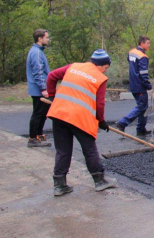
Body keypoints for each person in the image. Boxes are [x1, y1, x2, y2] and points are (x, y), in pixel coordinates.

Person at [46, 49, 117, 196]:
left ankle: (59, 185)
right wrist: (101, 120)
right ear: (100, 65)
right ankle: (99, 181)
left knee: (63, 150)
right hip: (79, 118)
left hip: (59, 113)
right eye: (105, 67)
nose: (105, 71)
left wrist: (52, 96)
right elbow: (100, 104)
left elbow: (51, 76)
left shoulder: (73, 66)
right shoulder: (99, 78)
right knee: (89, 149)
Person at [116, 36, 152, 137]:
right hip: (140, 85)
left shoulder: (132, 52)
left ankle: (141, 129)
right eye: (148, 43)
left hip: (133, 84)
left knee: (143, 107)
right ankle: (123, 122)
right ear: (142, 43)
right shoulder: (143, 57)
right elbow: (144, 74)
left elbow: (132, 64)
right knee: (141, 107)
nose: (149, 45)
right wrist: (148, 86)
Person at [26, 29, 52, 148]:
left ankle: (39, 135)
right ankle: (32, 138)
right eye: (46, 37)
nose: (48, 39)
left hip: (40, 89)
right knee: (38, 113)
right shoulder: (36, 53)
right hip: (38, 90)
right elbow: (38, 72)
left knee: (43, 113)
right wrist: (43, 88)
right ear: (40, 39)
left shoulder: (38, 51)